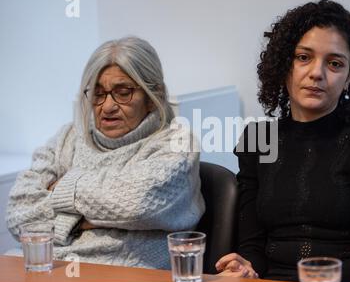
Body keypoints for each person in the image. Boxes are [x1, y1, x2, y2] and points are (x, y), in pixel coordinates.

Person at [215, 0, 350, 282]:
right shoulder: (259, 140)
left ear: (349, 78)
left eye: (335, 63)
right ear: (284, 66)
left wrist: (312, 281)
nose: (317, 73)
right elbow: (254, 247)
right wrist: (246, 267)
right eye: (304, 57)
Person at [6, 36, 205, 269]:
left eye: (123, 92)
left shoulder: (176, 143)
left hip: (122, 275)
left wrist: (61, 190)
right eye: (98, 94)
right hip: (46, 270)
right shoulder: (67, 138)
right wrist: (96, 215)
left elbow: (137, 204)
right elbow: (17, 214)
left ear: (153, 97)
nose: (108, 106)